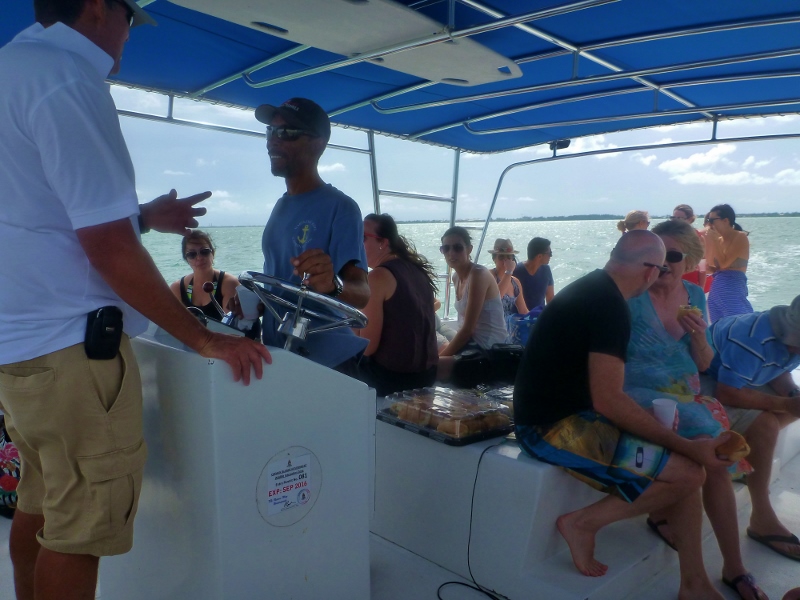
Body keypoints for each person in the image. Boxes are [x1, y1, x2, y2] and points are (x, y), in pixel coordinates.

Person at [0, 3, 272, 599]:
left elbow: (37, 219)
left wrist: (143, 217)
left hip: (21, 355)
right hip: (73, 355)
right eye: (129, 16)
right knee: (79, 533)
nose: (129, 35)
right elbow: (107, 248)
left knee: (41, 503)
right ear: (99, 7)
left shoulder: (13, 66)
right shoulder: (66, 79)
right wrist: (202, 337)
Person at [514, 230, 731, 599]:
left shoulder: (594, 288)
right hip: (550, 428)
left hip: (574, 414)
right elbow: (609, 401)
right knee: (688, 472)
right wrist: (686, 445)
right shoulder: (609, 307)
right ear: (649, 271)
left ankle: (693, 583)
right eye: (660, 268)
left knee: (682, 463)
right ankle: (583, 523)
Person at [624, 219, 765, 600]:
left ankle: (733, 567)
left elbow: (703, 364)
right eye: (655, 256)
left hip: (686, 397)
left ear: (689, 260)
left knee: (717, 454)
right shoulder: (630, 297)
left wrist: (700, 333)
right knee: (711, 453)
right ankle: (701, 578)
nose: (662, 264)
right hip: (639, 396)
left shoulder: (694, 296)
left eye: (672, 255)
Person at [254, 97, 370, 370]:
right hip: (279, 355)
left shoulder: (341, 208)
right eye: (271, 131)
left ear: (318, 143)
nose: (273, 140)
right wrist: (254, 301)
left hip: (327, 362)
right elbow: (278, 281)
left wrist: (333, 285)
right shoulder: (280, 206)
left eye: (287, 132)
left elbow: (362, 293)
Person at [702, 295, 800, 564]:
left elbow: (777, 368)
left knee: (783, 412)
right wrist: (785, 404)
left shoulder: (788, 339)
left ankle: (745, 457)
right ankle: (761, 517)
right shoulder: (751, 339)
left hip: (737, 379)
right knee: (768, 422)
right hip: (704, 381)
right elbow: (727, 392)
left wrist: (793, 394)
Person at [355, 213, 438, 396]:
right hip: (426, 376)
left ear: (383, 243)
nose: (356, 243)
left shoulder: (377, 277)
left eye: (362, 238)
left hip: (392, 380)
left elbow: (367, 347)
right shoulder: (416, 270)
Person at [170, 230, 240, 319]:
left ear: (213, 253)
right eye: (192, 254)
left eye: (204, 251)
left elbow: (230, 325)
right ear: (186, 259)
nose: (199, 257)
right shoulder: (177, 288)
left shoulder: (229, 283)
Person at [705, 203, 753, 322]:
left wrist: (714, 240)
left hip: (732, 287)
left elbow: (723, 265)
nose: (709, 224)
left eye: (712, 220)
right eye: (708, 220)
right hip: (717, 289)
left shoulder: (740, 237)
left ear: (725, 220)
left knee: (740, 323)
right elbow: (711, 267)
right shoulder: (718, 240)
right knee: (718, 329)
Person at [671, 204, 710, 293]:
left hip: (691, 281)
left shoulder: (697, 237)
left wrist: (701, 288)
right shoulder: (668, 236)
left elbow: (702, 266)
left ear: (690, 219)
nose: (675, 221)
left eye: (679, 218)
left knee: (690, 307)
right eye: (674, 218)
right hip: (671, 281)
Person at [487, 238, 528, 318]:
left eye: (509, 257)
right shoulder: (488, 276)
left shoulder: (515, 282)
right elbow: (495, 299)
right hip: (491, 327)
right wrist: (509, 271)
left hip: (508, 328)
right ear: (494, 259)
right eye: (501, 257)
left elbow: (523, 310)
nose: (505, 260)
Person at [513, 237, 554, 310]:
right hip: (519, 319)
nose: (551, 256)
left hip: (539, 317)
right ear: (539, 256)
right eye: (549, 253)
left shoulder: (546, 270)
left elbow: (550, 299)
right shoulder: (516, 271)